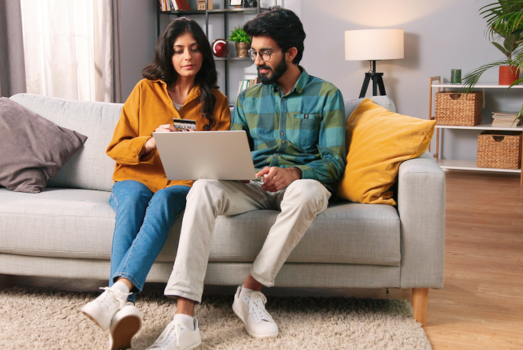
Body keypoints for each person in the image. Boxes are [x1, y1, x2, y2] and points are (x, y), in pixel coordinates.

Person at [148, 7, 346, 350]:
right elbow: (235, 148)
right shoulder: (249, 97)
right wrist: (231, 169)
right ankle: (184, 318)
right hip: (251, 185)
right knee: (204, 188)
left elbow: (333, 163)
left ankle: (250, 292)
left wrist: (293, 173)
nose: (258, 61)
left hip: (298, 185)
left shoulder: (327, 94)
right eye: (254, 53)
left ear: (291, 53)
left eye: (265, 53)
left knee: (310, 193)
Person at [81, 17, 231, 350]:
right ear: (168, 54)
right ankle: (125, 307)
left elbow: (221, 160)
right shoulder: (144, 90)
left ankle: (117, 296)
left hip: (182, 184)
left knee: (164, 200)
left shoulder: (216, 102)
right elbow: (116, 147)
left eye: (193, 49)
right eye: (178, 50)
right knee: (133, 201)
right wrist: (149, 141)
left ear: (204, 53)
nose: (187, 57)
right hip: (135, 177)